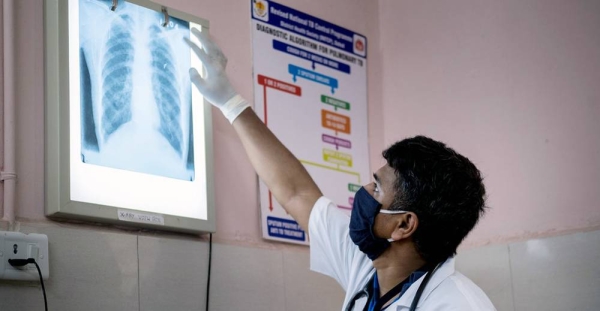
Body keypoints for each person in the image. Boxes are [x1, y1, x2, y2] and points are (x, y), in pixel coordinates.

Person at [186, 28, 496, 311]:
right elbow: (296, 193)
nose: (363, 193)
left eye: (376, 188)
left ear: (403, 225)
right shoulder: (369, 267)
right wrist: (230, 103)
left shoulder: (457, 305)